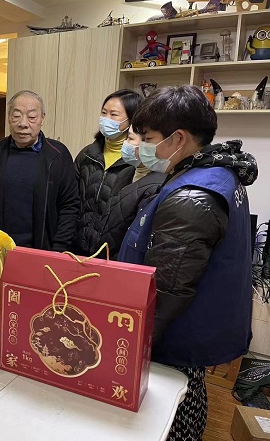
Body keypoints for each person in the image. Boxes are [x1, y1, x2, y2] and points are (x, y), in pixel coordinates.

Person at [118, 85, 257, 440]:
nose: (141, 146)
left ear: (179, 139)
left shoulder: (194, 195)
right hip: (190, 335)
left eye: (149, 138)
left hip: (173, 342)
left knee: (167, 416)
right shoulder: (218, 173)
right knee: (189, 396)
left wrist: (133, 348)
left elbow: (166, 291)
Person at [0, 90, 80, 251]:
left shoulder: (58, 155)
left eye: (32, 117)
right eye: (16, 116)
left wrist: (58, 249)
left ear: (42, 119)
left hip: (44, 250)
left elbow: (69, 205)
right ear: (9, 117)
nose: (23, 123)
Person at [73, 89, 143, 255]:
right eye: (104, 113)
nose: (106, 119)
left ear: (131, 119)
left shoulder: (136, 161)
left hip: (113, 252)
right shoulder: (87, 154)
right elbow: (71, 200)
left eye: (114, 114)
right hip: (77, 247)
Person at [99, 125, 166, 259]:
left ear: (148, 144)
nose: (125, 143)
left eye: (130, 138)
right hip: (108, 255)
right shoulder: (126, 173)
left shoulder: (158, 186)